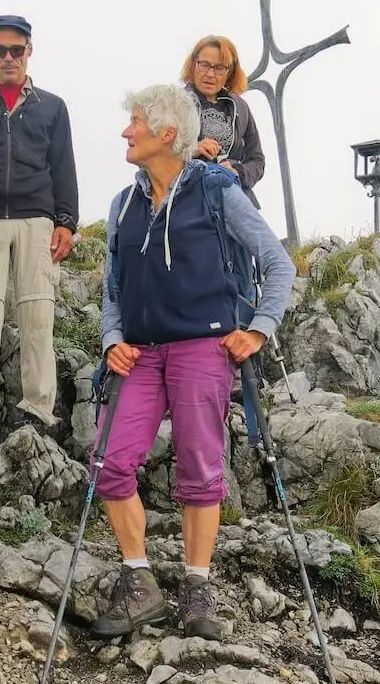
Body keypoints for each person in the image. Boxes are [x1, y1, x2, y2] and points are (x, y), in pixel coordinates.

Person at [89, 84, 294, 640]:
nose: (126, 132)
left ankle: (198, 589)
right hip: (138, 352)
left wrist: (259, 329)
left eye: (135, 123)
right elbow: (112, 286)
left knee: (201, 466)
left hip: (204, 347)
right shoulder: (123, 204)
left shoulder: (217, 191)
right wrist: (111, 339)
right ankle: (141, 582)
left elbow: (278, 264)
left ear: (166, 134)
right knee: (109, 463)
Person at [0, 14, 79, 465]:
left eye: (15, 50)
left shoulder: (52, 106)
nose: (7, 57)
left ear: (29, 51)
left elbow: (63, 167)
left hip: (37, 223)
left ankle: (37, 413)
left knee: (38, 318)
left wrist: (67, 222)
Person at [181, 35, 266, 209]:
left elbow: (257, 160)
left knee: (260, 236)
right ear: (193, 64)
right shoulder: (175, 102)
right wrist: (191, 150)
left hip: (236, 200)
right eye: (204, 64)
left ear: (230, 72)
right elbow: (154, 154)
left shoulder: (240, 107)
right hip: (189, 202)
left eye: (219, 68)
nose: (210, 74)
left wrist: (238, 172)